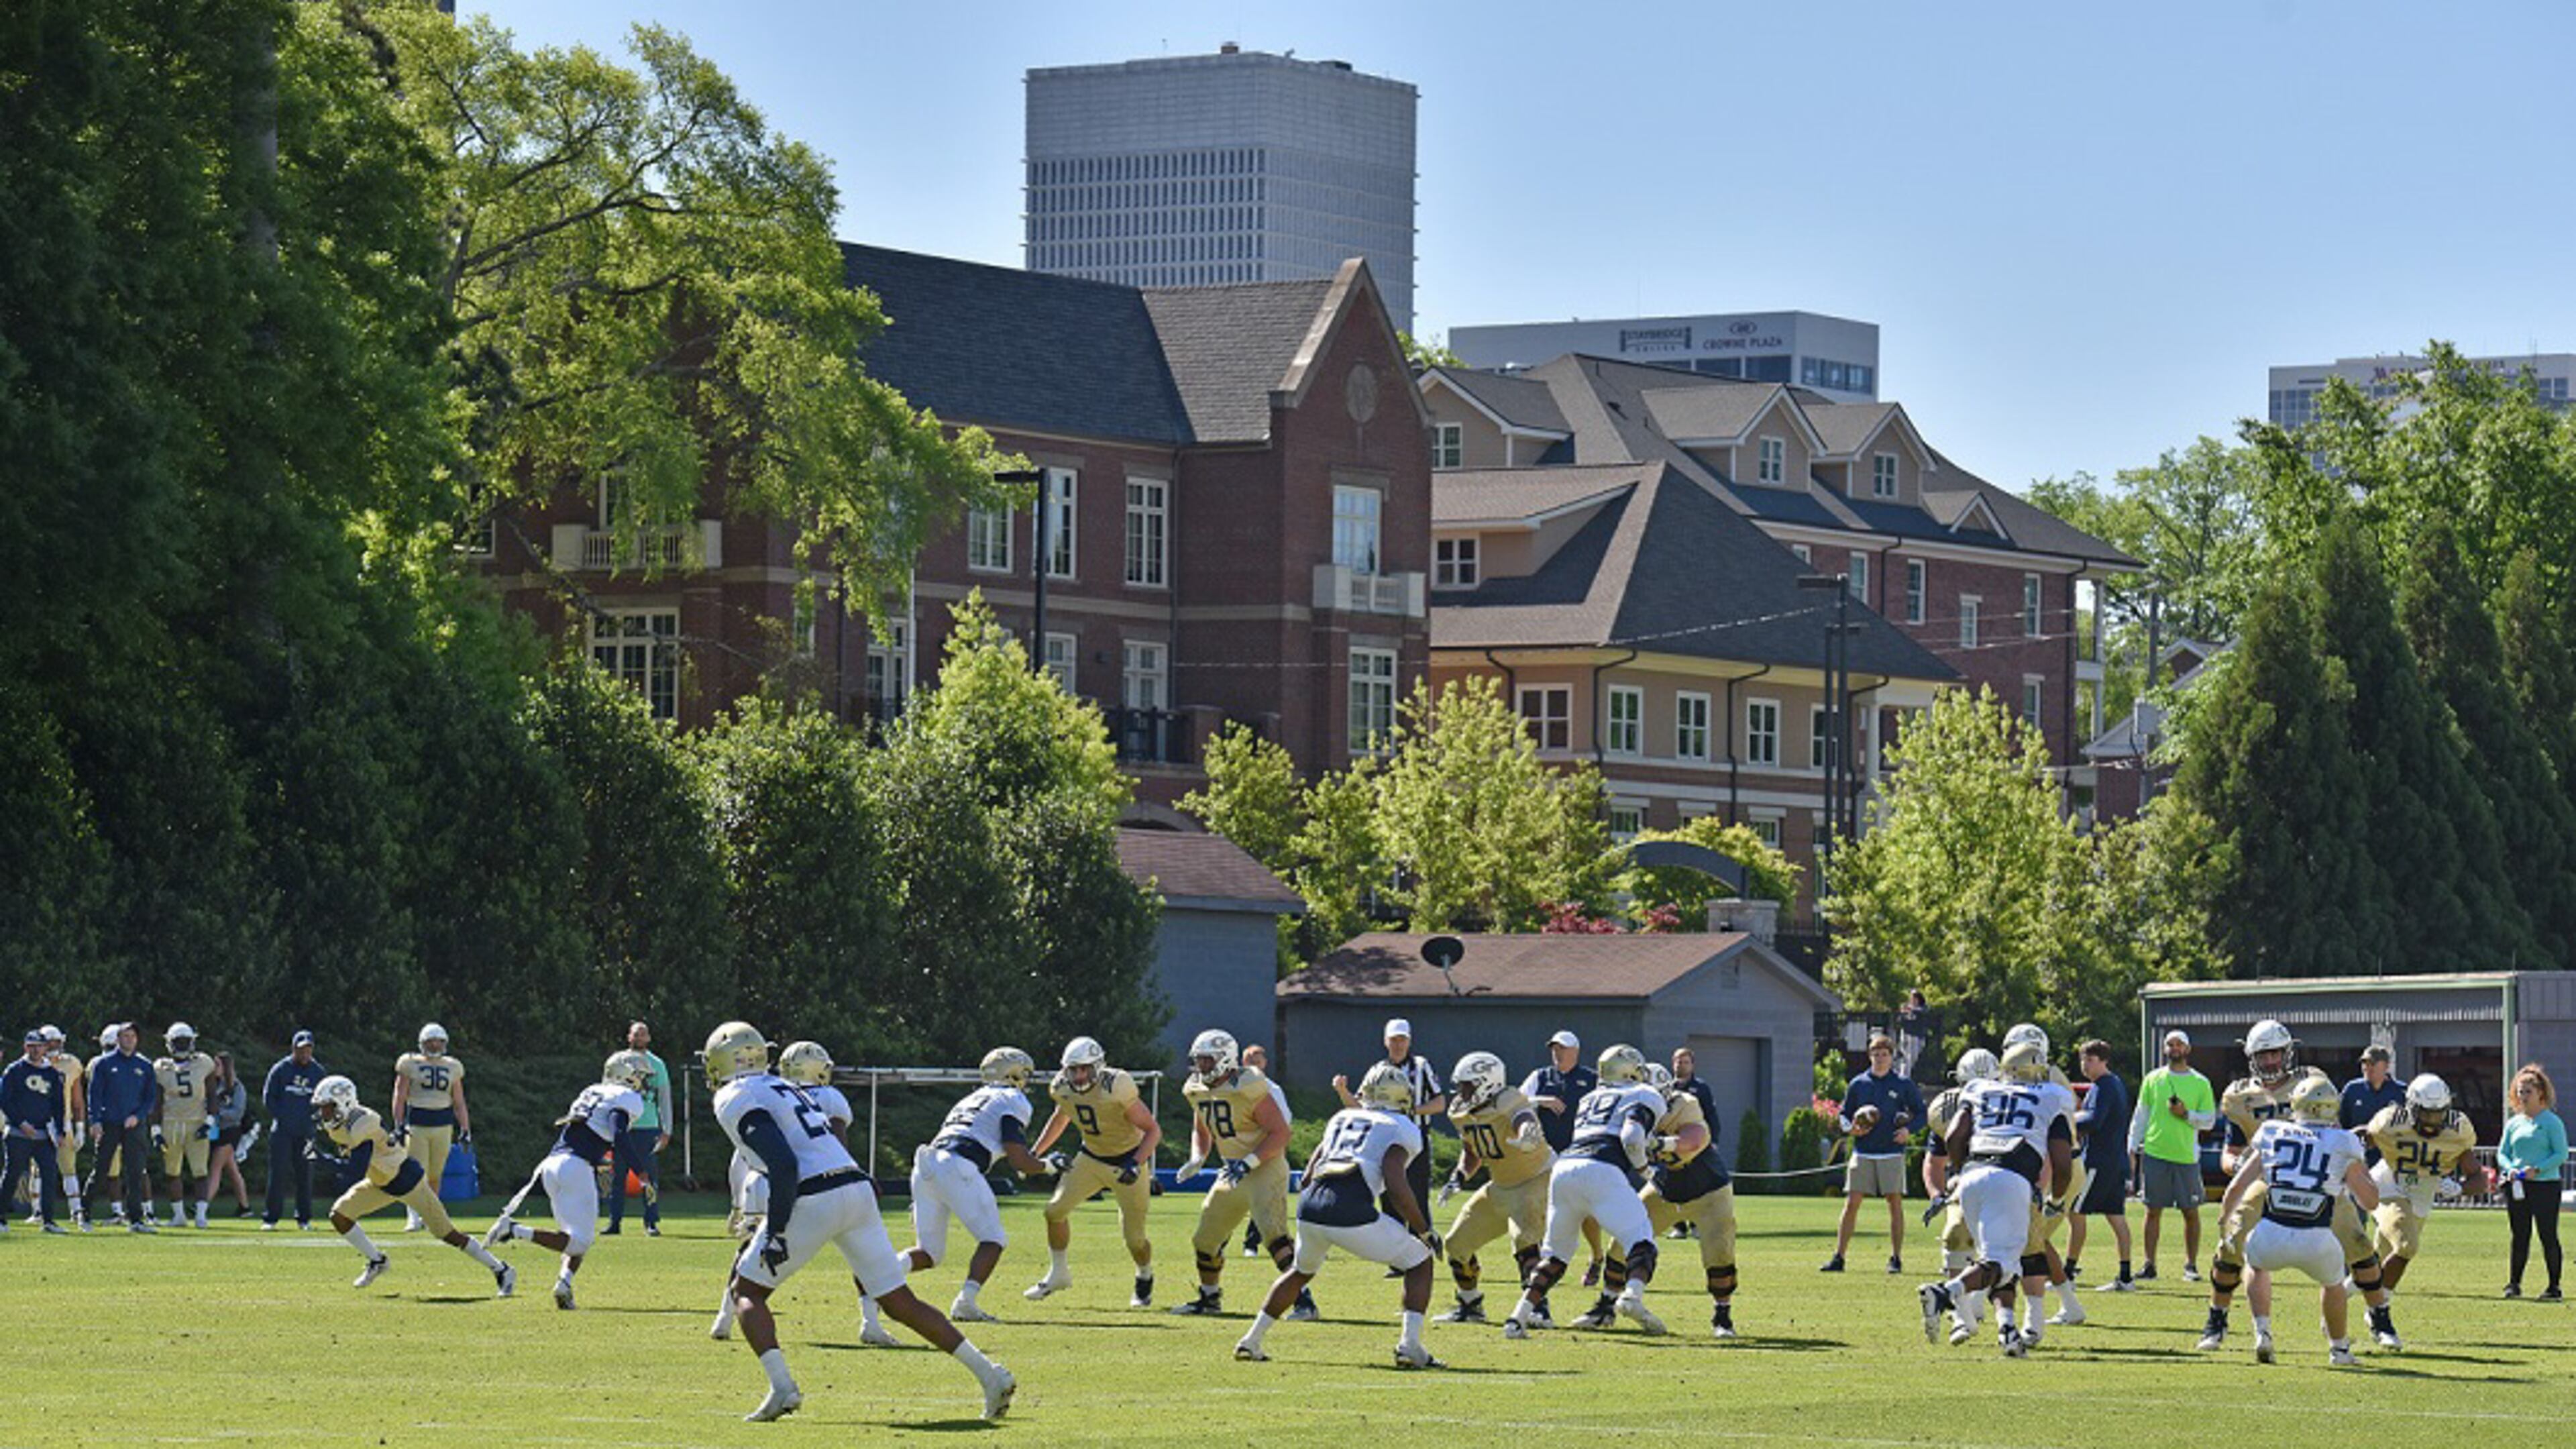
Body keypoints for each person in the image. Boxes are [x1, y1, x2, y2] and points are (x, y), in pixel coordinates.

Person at [701, 1021, 1015, 1424]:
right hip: (856, 1187)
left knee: (747, 1291)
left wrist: (777, 1229)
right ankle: (989, 1375)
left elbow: (782, 1163)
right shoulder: (785, 1087)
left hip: (813, 1195)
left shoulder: (735, 1095)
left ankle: (783, 1388)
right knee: (899, 1300)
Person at [1233, 1062, 1440, 1368]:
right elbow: (1395, 1180)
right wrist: (1424, 1230)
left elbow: (1308, 1175)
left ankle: (1251, 1340)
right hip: (1350, 1205)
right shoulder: (1404, 1128)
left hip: (1311, 1205)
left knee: (1300, 1272)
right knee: (1420, 1260)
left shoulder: (1342, 1117)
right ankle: (1410, 1346)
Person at [1915, 1040, 2076, 1357]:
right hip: (2012, 1177)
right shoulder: (2053, 1096)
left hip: (1973, 1178)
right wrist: (2057, 1198)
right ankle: (1944, 1293)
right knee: (2001, 1262)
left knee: (1999, 1260)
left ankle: (2008, 1331)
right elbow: (2062, 1159)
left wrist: (1962, 1171)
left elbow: (1954, 1137)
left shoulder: (1980, 1089)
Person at [1502, 1044, 1668, 1339]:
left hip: (1565, 1170)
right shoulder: (1644, 1095)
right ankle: (1631, 1296)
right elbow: (1631, 1136)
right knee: (1642, 1243)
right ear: (1629, 1070)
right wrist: (1645, 1171)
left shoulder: (1590, 1097)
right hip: (1602, 1169)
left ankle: (1518, 1317)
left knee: (1555, 1256)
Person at [879, 1046, 1049, 1334]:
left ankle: (877, 1277)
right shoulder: (1013, 1098)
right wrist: (1049, 1166)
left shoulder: (971, 1098)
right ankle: (966, 1302)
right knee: (993, 1239)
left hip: (926, 1164)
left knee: (929, 1253)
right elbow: (1019, 1158)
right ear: (1015, 1074)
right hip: (959, 1164)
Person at [2214, 1075, 2378, 1366]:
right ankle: (2339, 1350)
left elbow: (2237, 1188)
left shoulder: (2272, 1132)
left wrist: (2224, 1220)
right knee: (2334, 1285)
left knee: (2256, 1265)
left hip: (2271, 1232)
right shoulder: (2344, 1142)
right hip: (2317, 1238)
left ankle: (2263, 1332)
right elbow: (2369, 1201)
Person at [309, 1074, 514, 1296]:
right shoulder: (341, 1125)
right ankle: (377, 1261)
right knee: (340, 1216)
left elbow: (354, 1171)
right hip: (380, 1181)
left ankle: (502, 1269)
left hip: (406, 1180)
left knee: (448, 1234)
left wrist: (322, 1161)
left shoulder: (363, 1123)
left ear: (344, 1103)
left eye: (327, 1107)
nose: (324, 1113)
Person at [487, 1053, 661, 1309]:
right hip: (574, 1167)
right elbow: (619, 1132)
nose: (643, 1083)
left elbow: (589, 1130)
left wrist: (599, 1158)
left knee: (573, 1237)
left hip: (552, 1165)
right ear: (627, 1075)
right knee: (580, 1241)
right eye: (641, 1076)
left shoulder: (592, 1091)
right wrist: (640, 1170)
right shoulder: (626, 1098)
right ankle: (514, 1230)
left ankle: (564, 1285)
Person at [720, 1042, 867, 1338]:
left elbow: (743, 1154)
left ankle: (724, 1317)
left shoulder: (770, 1090)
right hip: (816, 1184)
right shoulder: (829, 1096)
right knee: (859, 1250)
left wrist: (737, 1201)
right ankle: (871, 1322)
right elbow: (837, 1145)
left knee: (750, 1249)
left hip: (761, 1180)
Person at [1593, 1063, 1741, 1340]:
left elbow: (1694, 1139)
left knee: (1719, 1251)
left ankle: (1723, 1316)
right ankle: (1605, 1307)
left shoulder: (1685, 1104)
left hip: (1709, 1191)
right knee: (1622, 1239)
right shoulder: (1633, 1108)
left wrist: (1659, 1144)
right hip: (1664, 1188)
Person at [1172, 1029, 1312, 1320]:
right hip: (1233, 1169)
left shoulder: (1249, 1084)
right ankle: (1210, 1298)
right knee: (1205, 1239)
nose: (1201, 1067)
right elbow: (1202, 1127)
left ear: (1225, 1060)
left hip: (1264, 1165)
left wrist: (1249, 1162)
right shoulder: (1196, 1087)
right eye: (1199, 1061)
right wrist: (1197, 1157)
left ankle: (1304, 1303)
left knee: (1274, 1236)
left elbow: (1281, 1133)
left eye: (1207, 1061)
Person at [1024, 1035, 1161, 1305]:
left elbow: (1153, 1130)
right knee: (1054, 1210)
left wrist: (1136, 1163)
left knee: (1135, 1239)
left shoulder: (1117, 1085)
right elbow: (1061, 1116)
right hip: (1090, 1158)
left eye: (1085, 1068)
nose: (1079, 1075)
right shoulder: (1062, 1087)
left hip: (1127, 1161)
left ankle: (1144, 1274)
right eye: (1074, 1069)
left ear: (1098, 1066)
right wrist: (1036, 1153)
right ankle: (1058, 1272)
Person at [1436, 1051, 1554, 1326]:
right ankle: (1470, 1305)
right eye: (1461, 1086)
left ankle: (1538, 1308)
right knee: (1456, 1245)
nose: (1462, 1092)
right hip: (1501, 1184)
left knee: (1525, 1240)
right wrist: (1459, 1176)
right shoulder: (1462, 1112)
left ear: (1487, 1082)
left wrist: (1527, 1134)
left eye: (1468, 1086)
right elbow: (1473, 1149)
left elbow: (1524, 1118)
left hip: (1536, 1177)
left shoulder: (1507, 1098)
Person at [2361, 1073, 2483, 1295]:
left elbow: (2479, 1178)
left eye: (2438, 1115)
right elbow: (2362, 1139)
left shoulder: (2458, 1130)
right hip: (2389, 1182)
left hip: (2421, 1193)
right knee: (2407, 1246)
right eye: (2426, 1114)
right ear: (2411, 1108)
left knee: (2382, 1259)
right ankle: (2379, 1306)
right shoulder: (2389, 1122)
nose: (2431, 1122)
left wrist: (2460, 1188)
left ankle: (2346, 1290)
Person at [1823, 1032, 1924, 1273]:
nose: (1880, 1058)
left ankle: (1896, 1259)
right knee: (1852, 1202)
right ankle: (1839, 1257)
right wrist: (1851, 1129)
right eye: (1876, 1054)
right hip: (1863, 1152)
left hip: (1891, 1152)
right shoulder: (1859, 1084)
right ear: (1869, 1056)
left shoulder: (1902, 1085)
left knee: (1894, 1203)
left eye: (1885, 1054)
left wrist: (1908, 1131)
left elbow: (1921, 1113)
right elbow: (1845, 1113)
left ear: (1892, 1057)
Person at [1335, 1018, 1447, 1233]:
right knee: (1389, 1199)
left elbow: (1440, 1103)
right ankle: (1397, 1260)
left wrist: (1410, 1110)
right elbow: (1359, 1107)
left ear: (1409, 1042)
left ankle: (1421, 1250)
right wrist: (1342, 1092)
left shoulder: (1421, 1066)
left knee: (1417, 1195)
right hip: (1385, 1139)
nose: (1398, 1045)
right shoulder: (1377, 1070)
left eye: (1402, 1040)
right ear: (1386, 1042)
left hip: (1415, 1138)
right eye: (1394, 1040)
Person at [1921, 1047, 1999, 1344]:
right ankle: (1961, 1314)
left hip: (2007, 1181)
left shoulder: (2012, 1102)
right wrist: (1937, 1194)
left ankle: (2029, 1319)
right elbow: (1934, 1160)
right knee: (1955, 1235)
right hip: (1967, 1184)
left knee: (2021, 1249)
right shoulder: (1951, 1108)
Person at [2127, 1028, 2214, 1281]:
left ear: (2187, 1049)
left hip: (2186, 1157)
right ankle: (2149, 1265)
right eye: (2170, 1044)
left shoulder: (2201, 1083)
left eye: (2179, 1044)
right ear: (2165, 1049)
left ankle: (2191, 1266)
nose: (2174, 1048)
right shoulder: (2153, 1079)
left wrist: (2186, 1114)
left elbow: (2208, 1121)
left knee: (2191, 1211)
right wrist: (2132, 1145)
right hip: (2155, 1153)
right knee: (2152, 1210)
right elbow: (2141, 1114)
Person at [1518, 1029, 1605, 1281]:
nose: (1558, 1053)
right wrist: (1540, 1100)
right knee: (1543, 1208)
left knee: (1586, 1211)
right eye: (1555, 1049)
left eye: (1563, 1049)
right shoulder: (1541, 1076)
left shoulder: (1591, 1079)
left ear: (1575, 1052)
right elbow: (1517, 1101)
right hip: (1545, 1155)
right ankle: (1548, 1260)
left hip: (1581, 1154)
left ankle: (1597, 1256)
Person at [2067, 1039, 2134, 1291]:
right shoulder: (2111, 1084)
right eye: (2083, 1060)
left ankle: (2068, 1274)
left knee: (2075, 1212)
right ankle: (2125, 1277)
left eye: (2091, 1060)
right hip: (2114, 1161)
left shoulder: (2105, 1086)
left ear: (2104, 1061)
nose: (2085, 1065)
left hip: (2099, 1161)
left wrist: (2068, 1123)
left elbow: (2095, 1121)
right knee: (2116, 1217)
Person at [391, 1022, 472, 1233]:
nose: (435, 1045)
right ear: (422, 1043)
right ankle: (413, 1215)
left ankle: (431, 1215)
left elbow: (459, 1101)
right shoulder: (409, 1063)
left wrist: (465, 1128)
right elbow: (399, 1096)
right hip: (417, 1124)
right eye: (431, 1042)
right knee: (416, 1173)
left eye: (439, 1042)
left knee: (436, 1174)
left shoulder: (453, 1065)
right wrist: (398, 1124)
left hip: (443, 1125)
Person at [2498, 1063, 2565, 1300]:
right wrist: (2511, 1169)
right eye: (2519, 1091)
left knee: (2548, 1235)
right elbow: (2502, 1153)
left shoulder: (2551, 1122)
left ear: (2540, 1093)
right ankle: (2514, 1283)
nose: (2522, 1096)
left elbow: (2561, 1154)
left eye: (2527, 1091)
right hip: (2517, 1185)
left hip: (2545, 1185)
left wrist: (2538, 1169)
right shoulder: (2514, 1123)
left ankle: (2554, 1287)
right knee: (2520, 1235)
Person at [85, 1022, 156, 1234]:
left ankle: (136, 1219)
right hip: (110, 1123)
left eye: (132, 1036)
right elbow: (94, 1095)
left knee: (135, 1172)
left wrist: (138, 1116)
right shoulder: (104, 1064)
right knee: (101, 1169)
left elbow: (150, 1098)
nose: (129, 1040)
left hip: (133, 1125)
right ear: (117, 1039)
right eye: (125, 1036)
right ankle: (85, 1212)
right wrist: (95, 1121)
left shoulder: (144, 1065)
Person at [604, 1020, 670, 1238]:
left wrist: (666, 1129)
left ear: (649, 1038)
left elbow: (664, 1098)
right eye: (636, 1034)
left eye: (643, 1034)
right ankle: (614, 1222)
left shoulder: (657, 1065)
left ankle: (651, 1222)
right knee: (617, 1178)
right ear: (629, 1037)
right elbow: (604, 1094)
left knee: (649, 1177)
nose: (640, 1038)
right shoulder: (616, 1061)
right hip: (622, 1127)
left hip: (648, 1127)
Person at [2, 1030, 70, 1233]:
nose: (35, 1050)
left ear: (46, 1048)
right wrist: (21, 1123)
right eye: (31, 1046)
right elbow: (5, 1100)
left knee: (49, 1176)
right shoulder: (15, 1070)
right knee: (12, 1174)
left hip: (44, 1134)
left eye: (39, 1046)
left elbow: (58, 1104)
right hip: (18, 1133)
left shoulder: (51, 1073)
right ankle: (1, 1218)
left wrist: (60, 1131)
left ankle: (48, 1221)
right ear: (25, 1047)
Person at [152, 1022, 218, 1228]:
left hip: (196, 1121)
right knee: (172, 1172)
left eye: (184, 1041)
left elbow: (212, 1095)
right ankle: (179, 1216)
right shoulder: (160, 1067)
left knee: (200, 1171)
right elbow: (157, 1102)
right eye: (177, 1042)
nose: (181, 1045)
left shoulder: (204, 1063)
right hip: (170, 1123)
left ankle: (201, 1215)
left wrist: (209, 1122)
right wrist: (155, 1129)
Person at [263, 1030, 327, 1230]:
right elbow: (269, 1098)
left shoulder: (318, 1072)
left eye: (308, 1049)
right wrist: (284, 1118)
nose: (305, 1053)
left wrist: (314, 1122)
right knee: (278, 1175)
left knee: (305, 1175)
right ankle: (271, 1218)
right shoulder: (281, 1069)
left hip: (306, 1133)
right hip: (282, 1131)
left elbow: (324, 1102)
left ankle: (304, 1218)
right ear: (294, 1049)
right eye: (301, 1049)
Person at [1239, 1043, 1290, 1257]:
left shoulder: (1272, 1089)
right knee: (1231, 1198)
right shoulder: (1234, 1087)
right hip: (1239, 1151)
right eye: (1251, 1062)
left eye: (1259, 1062)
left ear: (1265, 1064)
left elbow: (1285, 1123)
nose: (1256, 1067)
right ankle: (1218, 1245)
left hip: (1266, 1153)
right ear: (1243, 1063)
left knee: (1265, 1199)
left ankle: (1253, 1243)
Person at [41, 1027, 85, 1228]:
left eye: (56, 1041)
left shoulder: (71, 1064)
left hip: (63, 1122)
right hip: (39, 1123)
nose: (53, 1046)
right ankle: (38, 1210)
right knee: (37, 1170)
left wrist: (80, 1127)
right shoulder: (31, 1064)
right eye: (49, 1042)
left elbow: (77, 1099)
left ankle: (76, 1209)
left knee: (69, 1167)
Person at [205, 1053, 255, 1218]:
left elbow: (238, 1112)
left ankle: (203, 1204)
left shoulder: (236, 1087)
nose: (214, 1068)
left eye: (217, 1065)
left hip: (230, 1132)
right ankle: (245, 1207)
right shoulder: (211, 1085)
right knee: (232, 1170)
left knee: (216, 1168)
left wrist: (218, 1113)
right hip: (214, 1131)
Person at [2340, 1044, 2406, 1156]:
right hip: (2358, 1157)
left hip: (2390, 1158)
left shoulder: (2401, 1091)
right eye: (2364, 1063)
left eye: (2372, 1063)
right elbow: (2342, 1124)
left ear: (2386, 1066)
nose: (2367, 1068)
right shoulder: (2352, 1090)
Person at [1897, 989, 1931, 1081]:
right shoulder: (1907, 1008)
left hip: (1918, 1036)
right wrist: (1904, 1012)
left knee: (1914, 1057)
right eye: (1912, 998)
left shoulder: (1922, 1009)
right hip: (1907, 1034)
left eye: (1915, 998)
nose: (1913, 1000)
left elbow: (1923, 1012)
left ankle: (1907, 1076)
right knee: (1907, 1057)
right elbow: (1900, 1021)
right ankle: (1904, 1077)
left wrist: (1912, 1009)